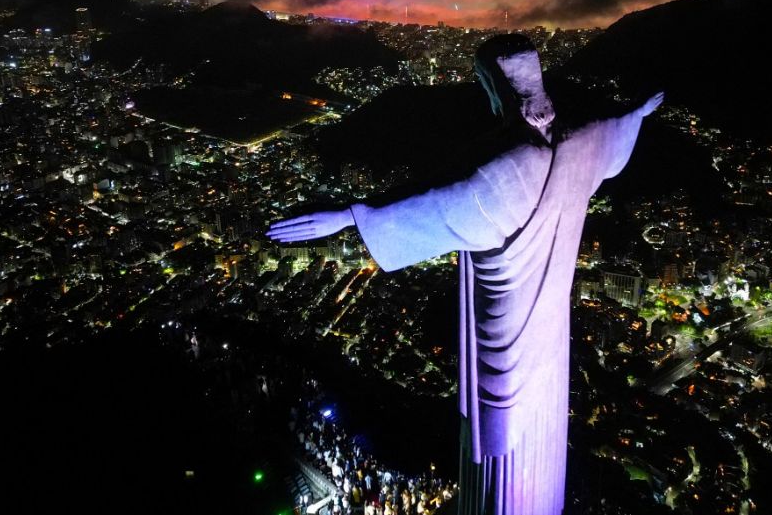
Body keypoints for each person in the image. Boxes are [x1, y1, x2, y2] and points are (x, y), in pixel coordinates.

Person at [269, 34, 662, 515]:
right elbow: (614, 128)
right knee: (540, 443)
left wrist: (349, 215)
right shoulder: (581, 142)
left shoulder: (505, 171)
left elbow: (433, 203)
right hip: (550, 341)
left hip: (505, 342)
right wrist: (638, 114)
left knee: (498, 454)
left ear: (495, 89)